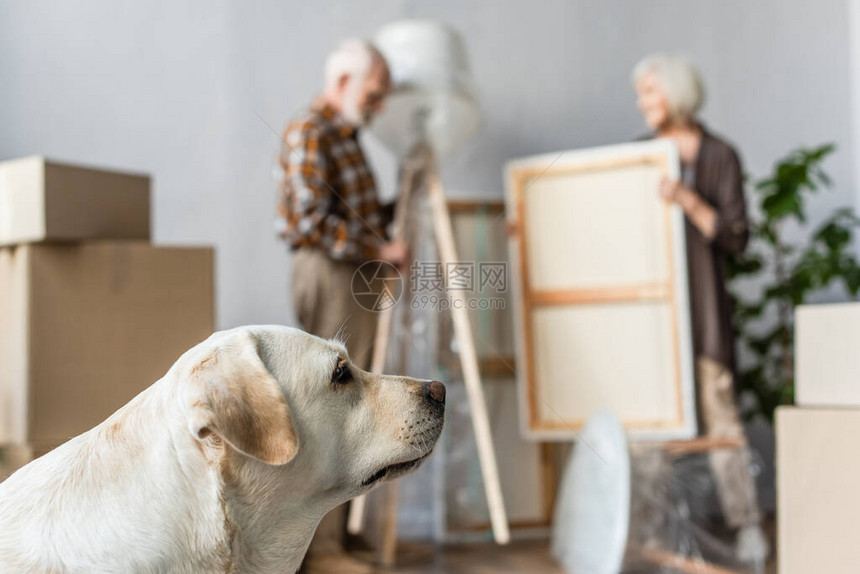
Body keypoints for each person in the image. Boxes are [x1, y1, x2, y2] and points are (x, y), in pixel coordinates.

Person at [633, 53, 769, 564]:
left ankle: (747, 529)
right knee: (651, 432)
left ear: (675, 94)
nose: (643, 104)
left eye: (649, 92)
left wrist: (686, 199)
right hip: (653, 320)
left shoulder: (719, 156)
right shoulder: (638, 155)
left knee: (722, 424)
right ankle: (651, 532)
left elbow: (735, 237)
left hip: (704, 314)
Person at [276, 38, 406, 573]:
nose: (379, 106)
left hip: (354, 271)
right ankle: (323, 548)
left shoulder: (347, 137)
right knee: (333, 403)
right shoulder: (311, 130)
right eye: (374, 93)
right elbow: (312, 222)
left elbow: (360, 214)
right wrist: (380, 248)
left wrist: (405, 201)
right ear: (345, 81)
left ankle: (343, 538)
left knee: (357, 404)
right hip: (331, 273)